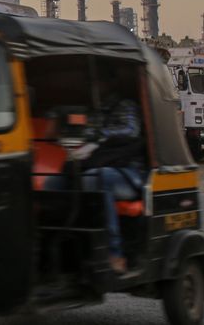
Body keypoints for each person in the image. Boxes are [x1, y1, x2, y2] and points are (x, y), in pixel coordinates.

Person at [55, 76, 146, 275]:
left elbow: (131, 129)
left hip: (129, 173)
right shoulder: (93, 110)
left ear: (109, 83)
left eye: (97, 82)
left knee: (97, 179)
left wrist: (100, 135)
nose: (93, 87)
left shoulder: (125, 105)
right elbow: (82, 133)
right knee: (54, 181)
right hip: (96, 166)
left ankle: (114, 252)